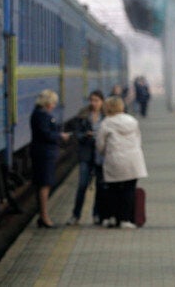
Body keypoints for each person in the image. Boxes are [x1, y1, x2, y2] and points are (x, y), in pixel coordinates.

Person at [96, 97, 148, 229]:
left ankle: (113, 218)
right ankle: (126, 219)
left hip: (115, 160)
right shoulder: (132, 121)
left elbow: (100, 145)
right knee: (129, 190)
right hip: (133, 160)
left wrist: (105, 153)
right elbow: (138, 140)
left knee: (113, 190)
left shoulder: (106, 123)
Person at [30, 89, 70, 228]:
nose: (53, 105)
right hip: (44, 154)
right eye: (52, 103)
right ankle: (44, 216)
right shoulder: (41, 115)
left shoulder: (40, 114)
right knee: (44, 184)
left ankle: (43, 215)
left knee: (44, 183)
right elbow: (45, 134)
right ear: (47, 102)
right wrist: (60, 136)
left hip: (44, 153)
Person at [66, 90, 105, 226]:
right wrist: (85, 135)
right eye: (92, 100)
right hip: (86, 155)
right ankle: (75, 215)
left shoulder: (106, 116)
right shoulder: (83, 116)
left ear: (102, 102)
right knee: (82, 185)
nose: (94, 103)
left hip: (100, 156)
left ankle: (97, 214)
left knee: (100, 187)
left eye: (96, 100)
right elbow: (77, 133)